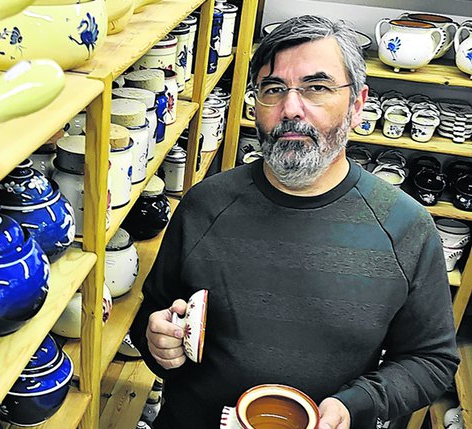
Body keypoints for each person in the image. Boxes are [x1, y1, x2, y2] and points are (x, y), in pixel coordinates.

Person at [129, 14, 460, 429]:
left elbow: (431, 360)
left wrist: (356, 403)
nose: (290, 108)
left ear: (357, 105)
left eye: (316, 87)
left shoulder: (405, 226)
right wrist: (157, 340)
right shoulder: (205, 204)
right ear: (255, 104)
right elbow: (153, 312)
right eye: (273, 89)